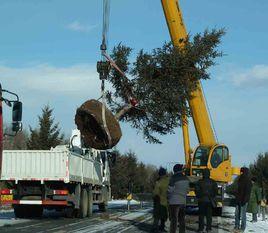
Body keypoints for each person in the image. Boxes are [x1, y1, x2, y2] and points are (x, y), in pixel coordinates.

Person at [167, 164, 190, 233]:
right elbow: (188, 190)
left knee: (174, 220)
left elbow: (169, 190)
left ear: (175, 170)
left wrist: (168, 197)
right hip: (183, 201)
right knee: (182, 219)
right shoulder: (186, 178)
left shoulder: (173, 178)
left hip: (174, 202)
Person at [195, 168, 217, 233]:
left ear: (203, 174)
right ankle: (209, 229)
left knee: (201, 215)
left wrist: (200, 195)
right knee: (209, 216)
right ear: (209, 174)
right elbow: (215, 191)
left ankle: (201, 229)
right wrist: (211, 196)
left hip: (202, 200)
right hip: (210, 201)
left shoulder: (199, 182)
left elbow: (196, 191)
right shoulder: (213, 182)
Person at [233, 167, 252, 232]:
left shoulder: (248, 180)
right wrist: (235, 195)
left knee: (243, 215)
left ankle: (242, 228)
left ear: (245, 172)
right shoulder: (239, 179)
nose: (241, 173)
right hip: (238, 199)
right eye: (240, 171)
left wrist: (245, 200)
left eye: (242, 171)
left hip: (244, 201)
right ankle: (236, 226)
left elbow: (248, 192)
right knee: (236, 214)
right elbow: (236, 189)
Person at [152, 167, 169, 232]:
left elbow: (155, 193)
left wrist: (154, 198)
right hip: (167, 202)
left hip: (159, 202)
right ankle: (164, 228)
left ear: (159, 174)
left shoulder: (158, 182)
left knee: (157, 217)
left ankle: (155, 228)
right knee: (165, 216)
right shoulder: (169, 181)